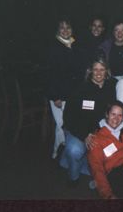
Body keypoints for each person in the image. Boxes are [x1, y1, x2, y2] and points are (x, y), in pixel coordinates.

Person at [60, 58, 117, 184]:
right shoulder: (80, 88)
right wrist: (84, 135)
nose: (98, 73)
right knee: (75, 150)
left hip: (99, 132)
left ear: (106, 71)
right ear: (90, 71)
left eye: (102, 69)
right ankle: (73, 177)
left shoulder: (111, 87)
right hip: (79, 130)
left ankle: (72, 161)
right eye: (95, 69)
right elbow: (68, 117)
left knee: (112, 152)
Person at [47, 19, 87, 159]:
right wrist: (55, 96)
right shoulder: (53, 47)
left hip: (74, 93)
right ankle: (58, 152)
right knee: (61, 124)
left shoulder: (75, 45)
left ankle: (68, 152)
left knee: (71, 122)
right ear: (57, 30)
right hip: (60, 94)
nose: (65, 30)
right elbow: (50, 73)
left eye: (68, 27)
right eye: (62, 28)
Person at [87, 101, 123, 199]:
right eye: (113, 114)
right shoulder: (97, 139)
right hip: (114, 173)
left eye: (120, 115)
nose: (116, 119)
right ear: (107, 114)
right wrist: (108, 195)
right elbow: (97, 169)